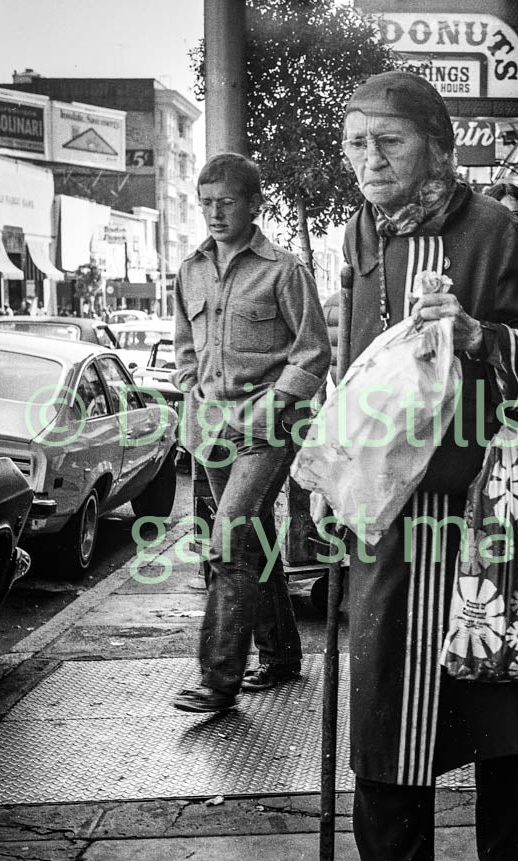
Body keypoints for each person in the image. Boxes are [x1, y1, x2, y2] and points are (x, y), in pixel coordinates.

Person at [296, 70, 518, 861]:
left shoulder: (491, 229)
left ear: (436, 143)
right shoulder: (358, 235)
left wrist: (479, 336)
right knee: (389, 709)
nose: (367, 161)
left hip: (484, 516)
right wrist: (333, 471)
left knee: (505, 705)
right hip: (396, 518)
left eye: (385, 142)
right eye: (355, 143)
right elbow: (358, 367)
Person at [171, 152, 330, 713]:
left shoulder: (285, 271)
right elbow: (185, 348)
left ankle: (217, 679)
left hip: (265, 432)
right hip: (211, 429)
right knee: (255, 538)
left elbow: (314, 351)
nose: (214, 213)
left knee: (230, 541)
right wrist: (192, 384)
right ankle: (282, 656)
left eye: (226, 202)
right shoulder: (189, 270)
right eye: (206, 202)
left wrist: (279, 400)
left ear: (254, 204)